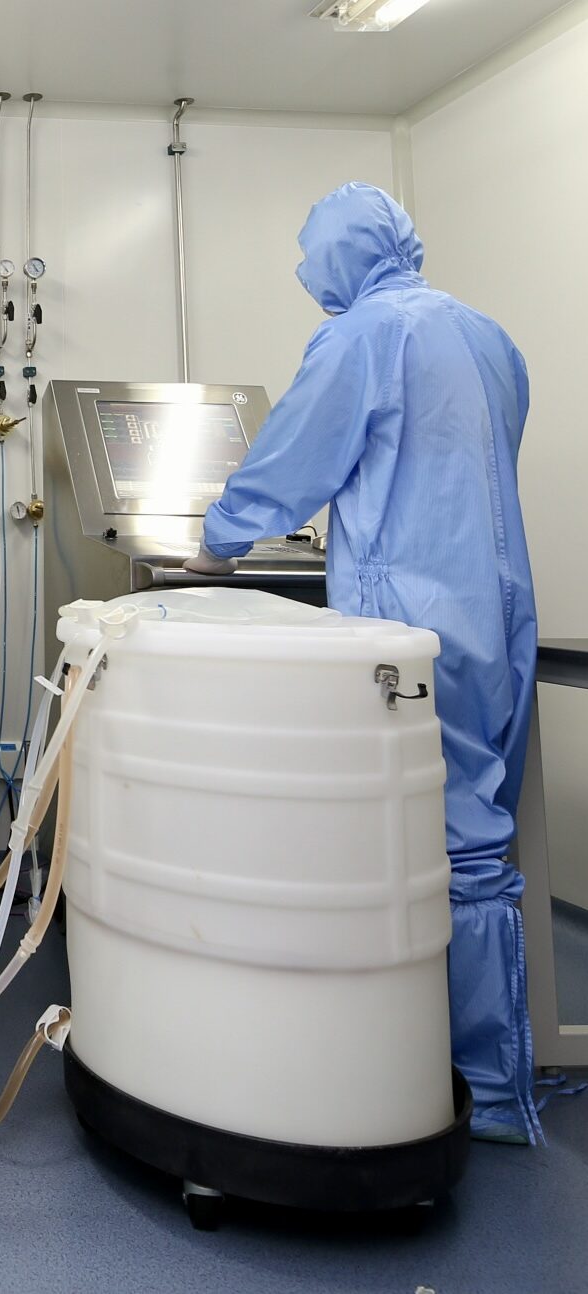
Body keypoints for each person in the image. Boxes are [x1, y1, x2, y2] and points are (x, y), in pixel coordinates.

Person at [187, 183, 539, 1143]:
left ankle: (479, 1094)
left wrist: (218, 545)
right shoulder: (487, 335)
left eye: (315, 255)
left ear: (346, 253)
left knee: (444, 839)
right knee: (481, 828)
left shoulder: (363, 338)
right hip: (497, 602)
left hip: (415, 615)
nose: (310, 274)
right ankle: (493, 1073)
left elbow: (293, 460)